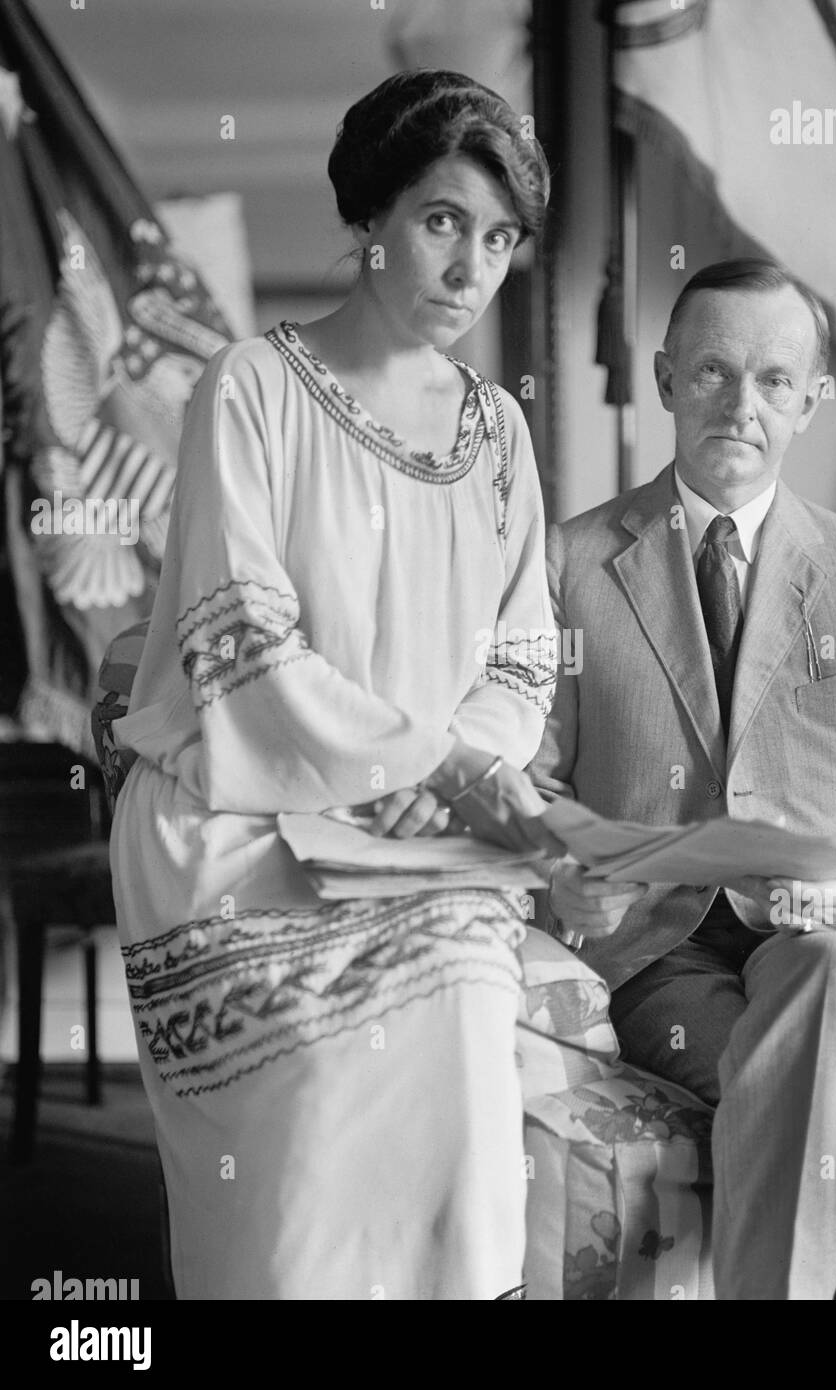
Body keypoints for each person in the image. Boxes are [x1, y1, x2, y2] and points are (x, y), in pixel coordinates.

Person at [109, 70, 558, 1300]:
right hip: (237, 823)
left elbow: (521, 659)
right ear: (370, 218)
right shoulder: (250, 388)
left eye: (501, 238)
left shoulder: (498, 434)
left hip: (420, 835)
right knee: (312, 1145)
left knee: (465, 993)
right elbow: (243, 649)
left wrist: (446, 773)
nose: (472, 268)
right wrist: (432, 762)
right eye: (442, 221)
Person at [530, 258, 836, 1300]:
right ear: (663, 378)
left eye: (774, 380)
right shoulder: (566, 565)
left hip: (826, 930)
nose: (741, 405)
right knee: (827, 1083)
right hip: (658, 950)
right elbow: (528, 778)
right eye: (713, 373)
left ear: (810, 400)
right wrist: (569, 866)